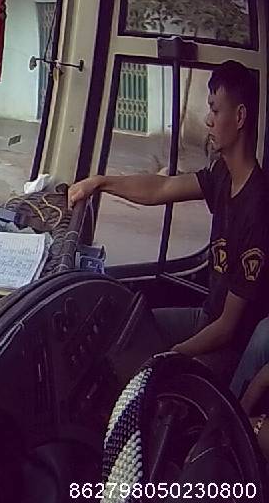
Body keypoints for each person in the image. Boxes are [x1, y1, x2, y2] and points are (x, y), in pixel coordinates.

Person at [69, 60, 268, 390]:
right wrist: (100, 182)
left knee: (155, 380)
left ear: (240, 117)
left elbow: (228, 328)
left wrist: (171, 355)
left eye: (214, 110)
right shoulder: (223, 174)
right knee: (125, 330)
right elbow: (161, 188)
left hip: (229, 346)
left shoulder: (258, 207)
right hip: (207, 316)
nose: (208, 120)